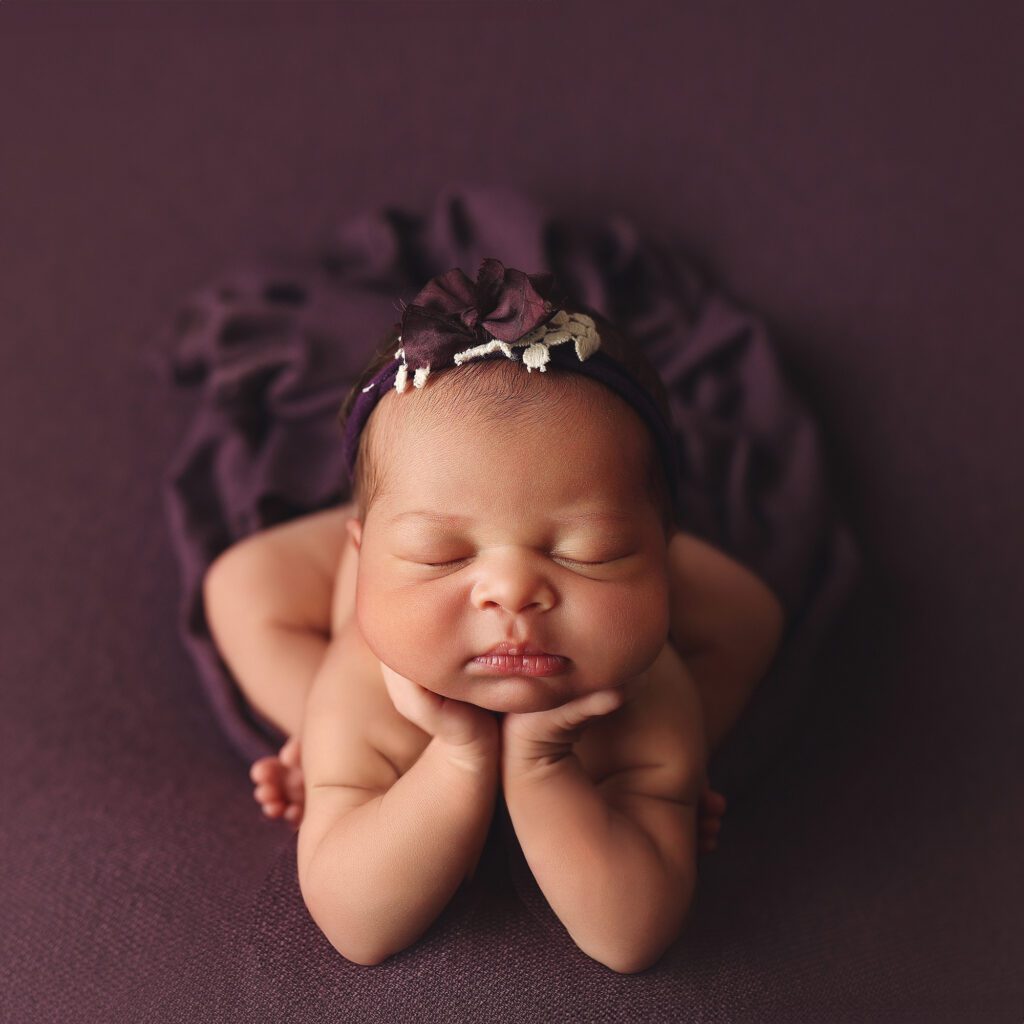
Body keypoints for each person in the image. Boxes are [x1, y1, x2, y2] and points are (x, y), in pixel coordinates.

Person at [202, 259, 785, 971]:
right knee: (239, 584)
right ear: (368, 554)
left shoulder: (653, 699)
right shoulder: (362, 690)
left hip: (559, 553)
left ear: (661, 557)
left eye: (590, 553)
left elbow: (629, 938)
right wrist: (454, 754)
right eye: (443, 556)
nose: (510, 593)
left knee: (751, 614)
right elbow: (359, 927)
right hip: (382, 573)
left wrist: (548, 768)